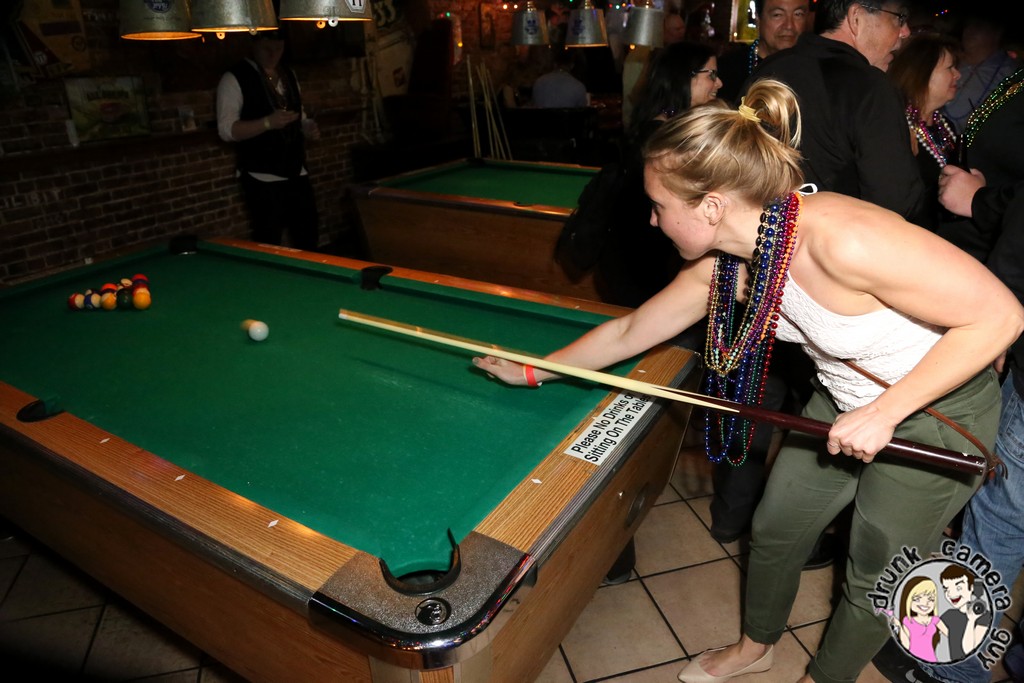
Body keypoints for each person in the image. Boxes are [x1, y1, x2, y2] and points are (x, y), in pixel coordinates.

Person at [472, 79, 1022, 683]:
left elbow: (1002, 316)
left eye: (658, 205)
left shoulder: (842, 237)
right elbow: (630, 332)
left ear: (711, 207)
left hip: (936, 411)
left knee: (874, 568)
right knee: (776, 525)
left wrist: (886, 412)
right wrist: (534, 369)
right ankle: (754, 647)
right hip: (843, 398)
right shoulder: (729, 262)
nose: (652, 220)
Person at [744, 0, 925, 225]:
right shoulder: (869, 86)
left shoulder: (767, 68)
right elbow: (896, 202)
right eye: (899, 18)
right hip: (834, 241)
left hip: (759, 234)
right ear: (856, 17)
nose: (905, 32)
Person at [216, 30, 320, 252]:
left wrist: (306, 127)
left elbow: (298, 115)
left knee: (309, 237)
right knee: (269, 241)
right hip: (261, 175)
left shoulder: (288, 74)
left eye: (278, 49)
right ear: (254, 45)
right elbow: (226, 130)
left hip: (296, 170)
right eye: (267, 49)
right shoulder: (234, 78)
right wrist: (266, 123)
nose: (273, 54)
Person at [888, 32, 962, 232]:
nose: (958, 74)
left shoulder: (944, 125)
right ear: (923, 73)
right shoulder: (897, 127)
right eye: (949, 68)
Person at [941, 9, 1020, 134]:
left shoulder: (1009, 73)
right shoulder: (946, 60)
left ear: (996, 32)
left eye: (978, 26)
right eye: (968, 26)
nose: (969, 31)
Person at [717, 0, 811, 103]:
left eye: (798, 14)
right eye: (777, 15)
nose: (789, 26)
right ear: (758, 18)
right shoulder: (727, 70)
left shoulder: (813, 70)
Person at [892, 576, 946, 663]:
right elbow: (906, 645)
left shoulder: (935, 620)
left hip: (931, 660)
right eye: (917, 599)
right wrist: (899, 626)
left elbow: (952, 635)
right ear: (908, 600)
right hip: (912, 661)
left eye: (931, 599)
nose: (925, 603)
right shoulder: (908, 621)